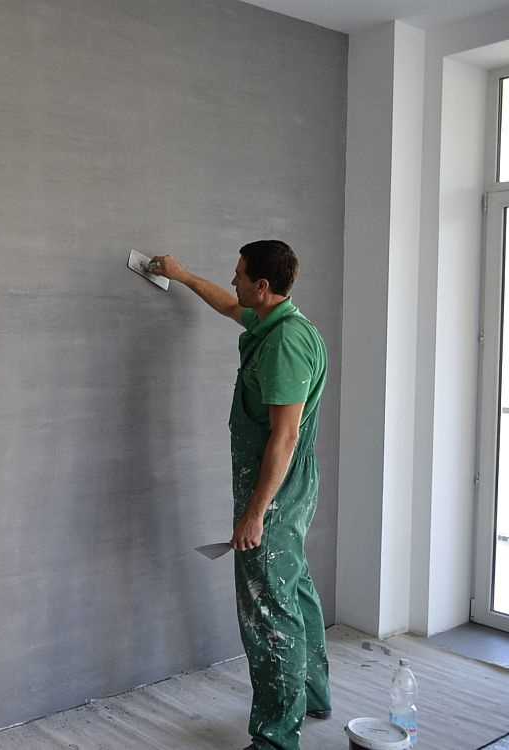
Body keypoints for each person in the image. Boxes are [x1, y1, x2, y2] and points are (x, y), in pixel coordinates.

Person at [149, 241, 331, 750]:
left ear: (263, 286)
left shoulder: (285, 344)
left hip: (275, 490)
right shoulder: (272, 320)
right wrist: (182, 275)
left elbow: (285, 436)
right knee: (293, 590)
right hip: (284, 486)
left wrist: (256, 515)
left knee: (267, 608)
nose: (233, 283)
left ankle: (276, 736)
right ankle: (311, 694)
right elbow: (229, 306)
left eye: (239, 275)